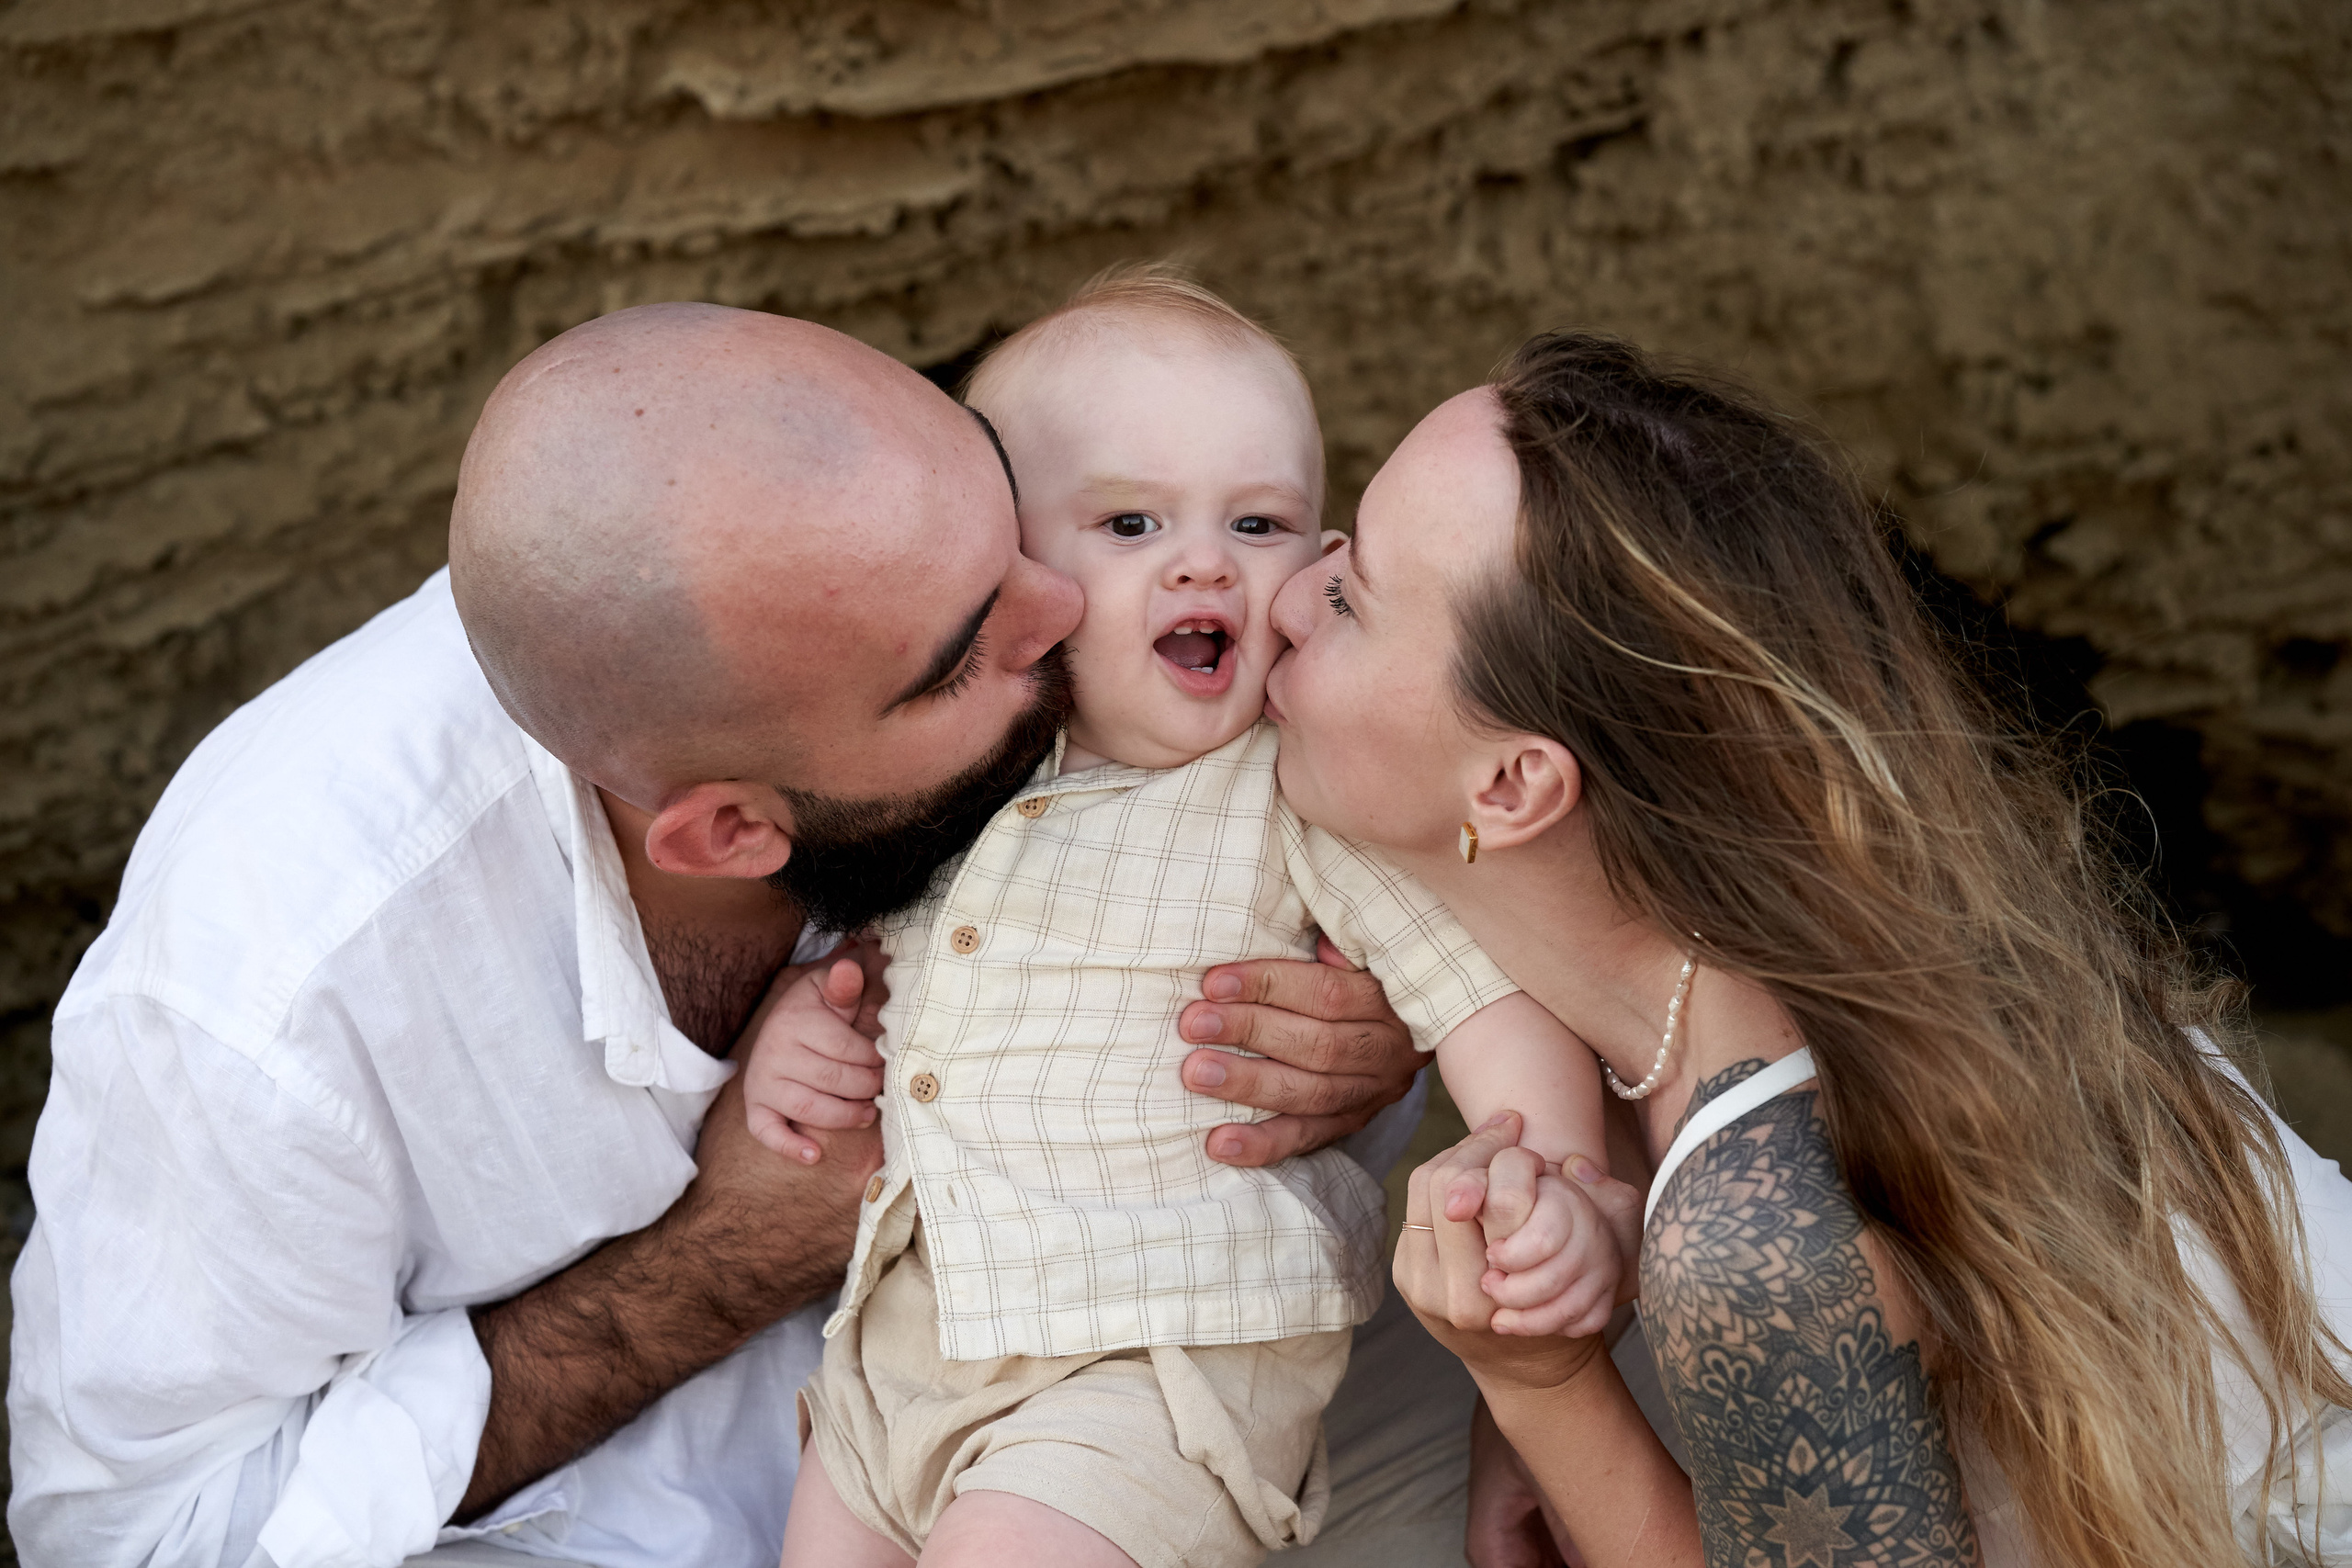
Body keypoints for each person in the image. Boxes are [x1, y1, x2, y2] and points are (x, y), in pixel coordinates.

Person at [5, 303, 1440, 1568]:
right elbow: (143, 1539)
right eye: (967, 650)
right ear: (734, 835)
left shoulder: (901, 562)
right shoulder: (272, 999)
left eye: (1010, 527)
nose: (1064, 607)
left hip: (1135, 1399)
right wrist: (723, 1256)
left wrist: (1360, 1025)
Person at [1264, 330, 2352, 1566]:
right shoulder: (1823, 937)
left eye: (1353, 601)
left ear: (1513, 786)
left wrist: (1548, 1392)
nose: (1290, 591)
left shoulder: (1764, 1224)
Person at [752, 268, 1625, 1568]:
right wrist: (795, 1034)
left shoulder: (1299, 789)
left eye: (1263, 523)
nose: (1205, 560)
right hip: (905, 1345)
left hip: (1157, 1363)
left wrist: (1556, 1181)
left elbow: (1483, 995)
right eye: (1130, 524)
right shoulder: (966, 765)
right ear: (1013, 577)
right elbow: (863, 963)